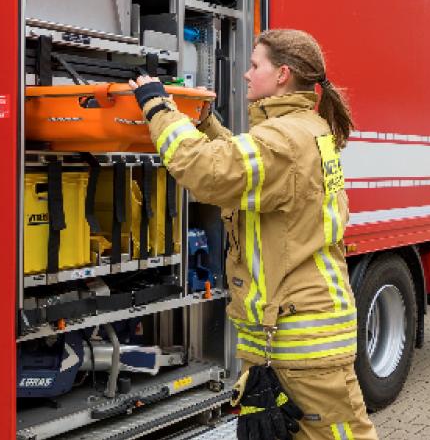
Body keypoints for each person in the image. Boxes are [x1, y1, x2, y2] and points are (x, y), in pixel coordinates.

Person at [129, 29, 377, 440]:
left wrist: (158, 107)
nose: (246, 74)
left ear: (282, 74)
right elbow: (248, 172)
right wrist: (207, 125)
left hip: (300, 338)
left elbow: (208, 172)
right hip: (304, 329)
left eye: (255, 64)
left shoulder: (283, 139)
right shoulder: (303, 129)